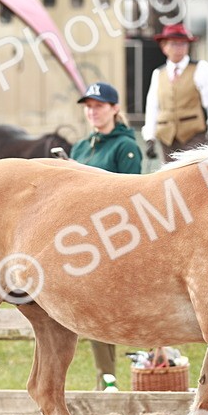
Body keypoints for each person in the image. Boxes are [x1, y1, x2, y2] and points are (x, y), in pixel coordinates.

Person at [70, 82, 142, 389]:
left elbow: (132, 192)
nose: (92, 111)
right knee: (87, 306)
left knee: (111, 306)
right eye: (89, 106)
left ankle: (118, 374)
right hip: (79, 236)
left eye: (99, 106)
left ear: (114, 108)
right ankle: (106, 378)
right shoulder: (81, 147)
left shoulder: (126, 147)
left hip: (113, 234)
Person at [142, 23, 208, 163]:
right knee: (169, 177)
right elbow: (153, 106)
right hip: (167, 136)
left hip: (193, 133)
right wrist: (150, 136)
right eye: (174, 44)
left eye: (183, 44)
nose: (179, 48)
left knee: (190, 175)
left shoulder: (200, 68)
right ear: (164, 46)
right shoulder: (158, 73)